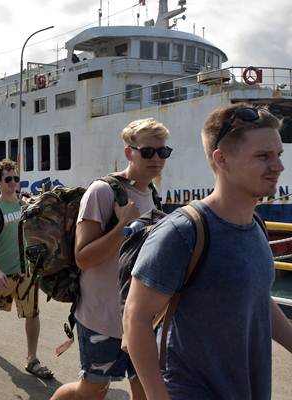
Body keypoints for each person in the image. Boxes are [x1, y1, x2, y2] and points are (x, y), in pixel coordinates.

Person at [124, 104, 292, 400]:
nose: (278, 166)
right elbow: (135, 319)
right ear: (222, 159)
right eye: (263, 156)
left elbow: (257, 298)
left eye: (278, 155)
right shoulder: (183, 232)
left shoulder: (255, 225)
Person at [51, 118, 172, 400]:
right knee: (91, 391)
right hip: (101, 317)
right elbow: (83, 258)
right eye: (148, 152)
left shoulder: (152, 195)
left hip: (139, 319)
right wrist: (122, 226)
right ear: (129, 152)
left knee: (144, 389)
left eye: (162, 152)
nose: (156, 159)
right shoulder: (103, 192)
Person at [0, 159, 53, 380]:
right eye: (8, 179)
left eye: (16, 178)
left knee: (33, 313)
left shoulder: (24, 206)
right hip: (3, 272)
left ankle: (32, 359)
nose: (13, 183)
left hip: (27, 272)